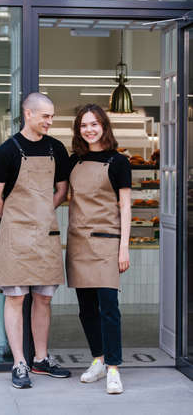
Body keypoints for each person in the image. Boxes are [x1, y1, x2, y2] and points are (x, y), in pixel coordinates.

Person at [0, 92, 71, 389]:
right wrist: (17, 220)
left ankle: (41, 359)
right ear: (28, 114)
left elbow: (62, 190)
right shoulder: (6, 152)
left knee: (44, 298)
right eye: (45, 115)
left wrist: (43, 212)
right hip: (15, 237)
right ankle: (19, 362)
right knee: (16, 297)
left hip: (46, 234)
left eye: (52, 116)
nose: (50, 121)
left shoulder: (57, 149)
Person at [66, 103, 131, 394]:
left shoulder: (119, 162)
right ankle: (98, 360)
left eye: (93, 124)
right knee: (86, 309)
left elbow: (126, 207)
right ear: (78, 130)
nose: (89, 129)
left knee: (109, 308)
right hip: (79, 242)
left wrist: (124, 248)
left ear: (103, 126)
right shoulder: (73, 162)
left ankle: (114, 368)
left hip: (107, 242)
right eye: (83, 125)